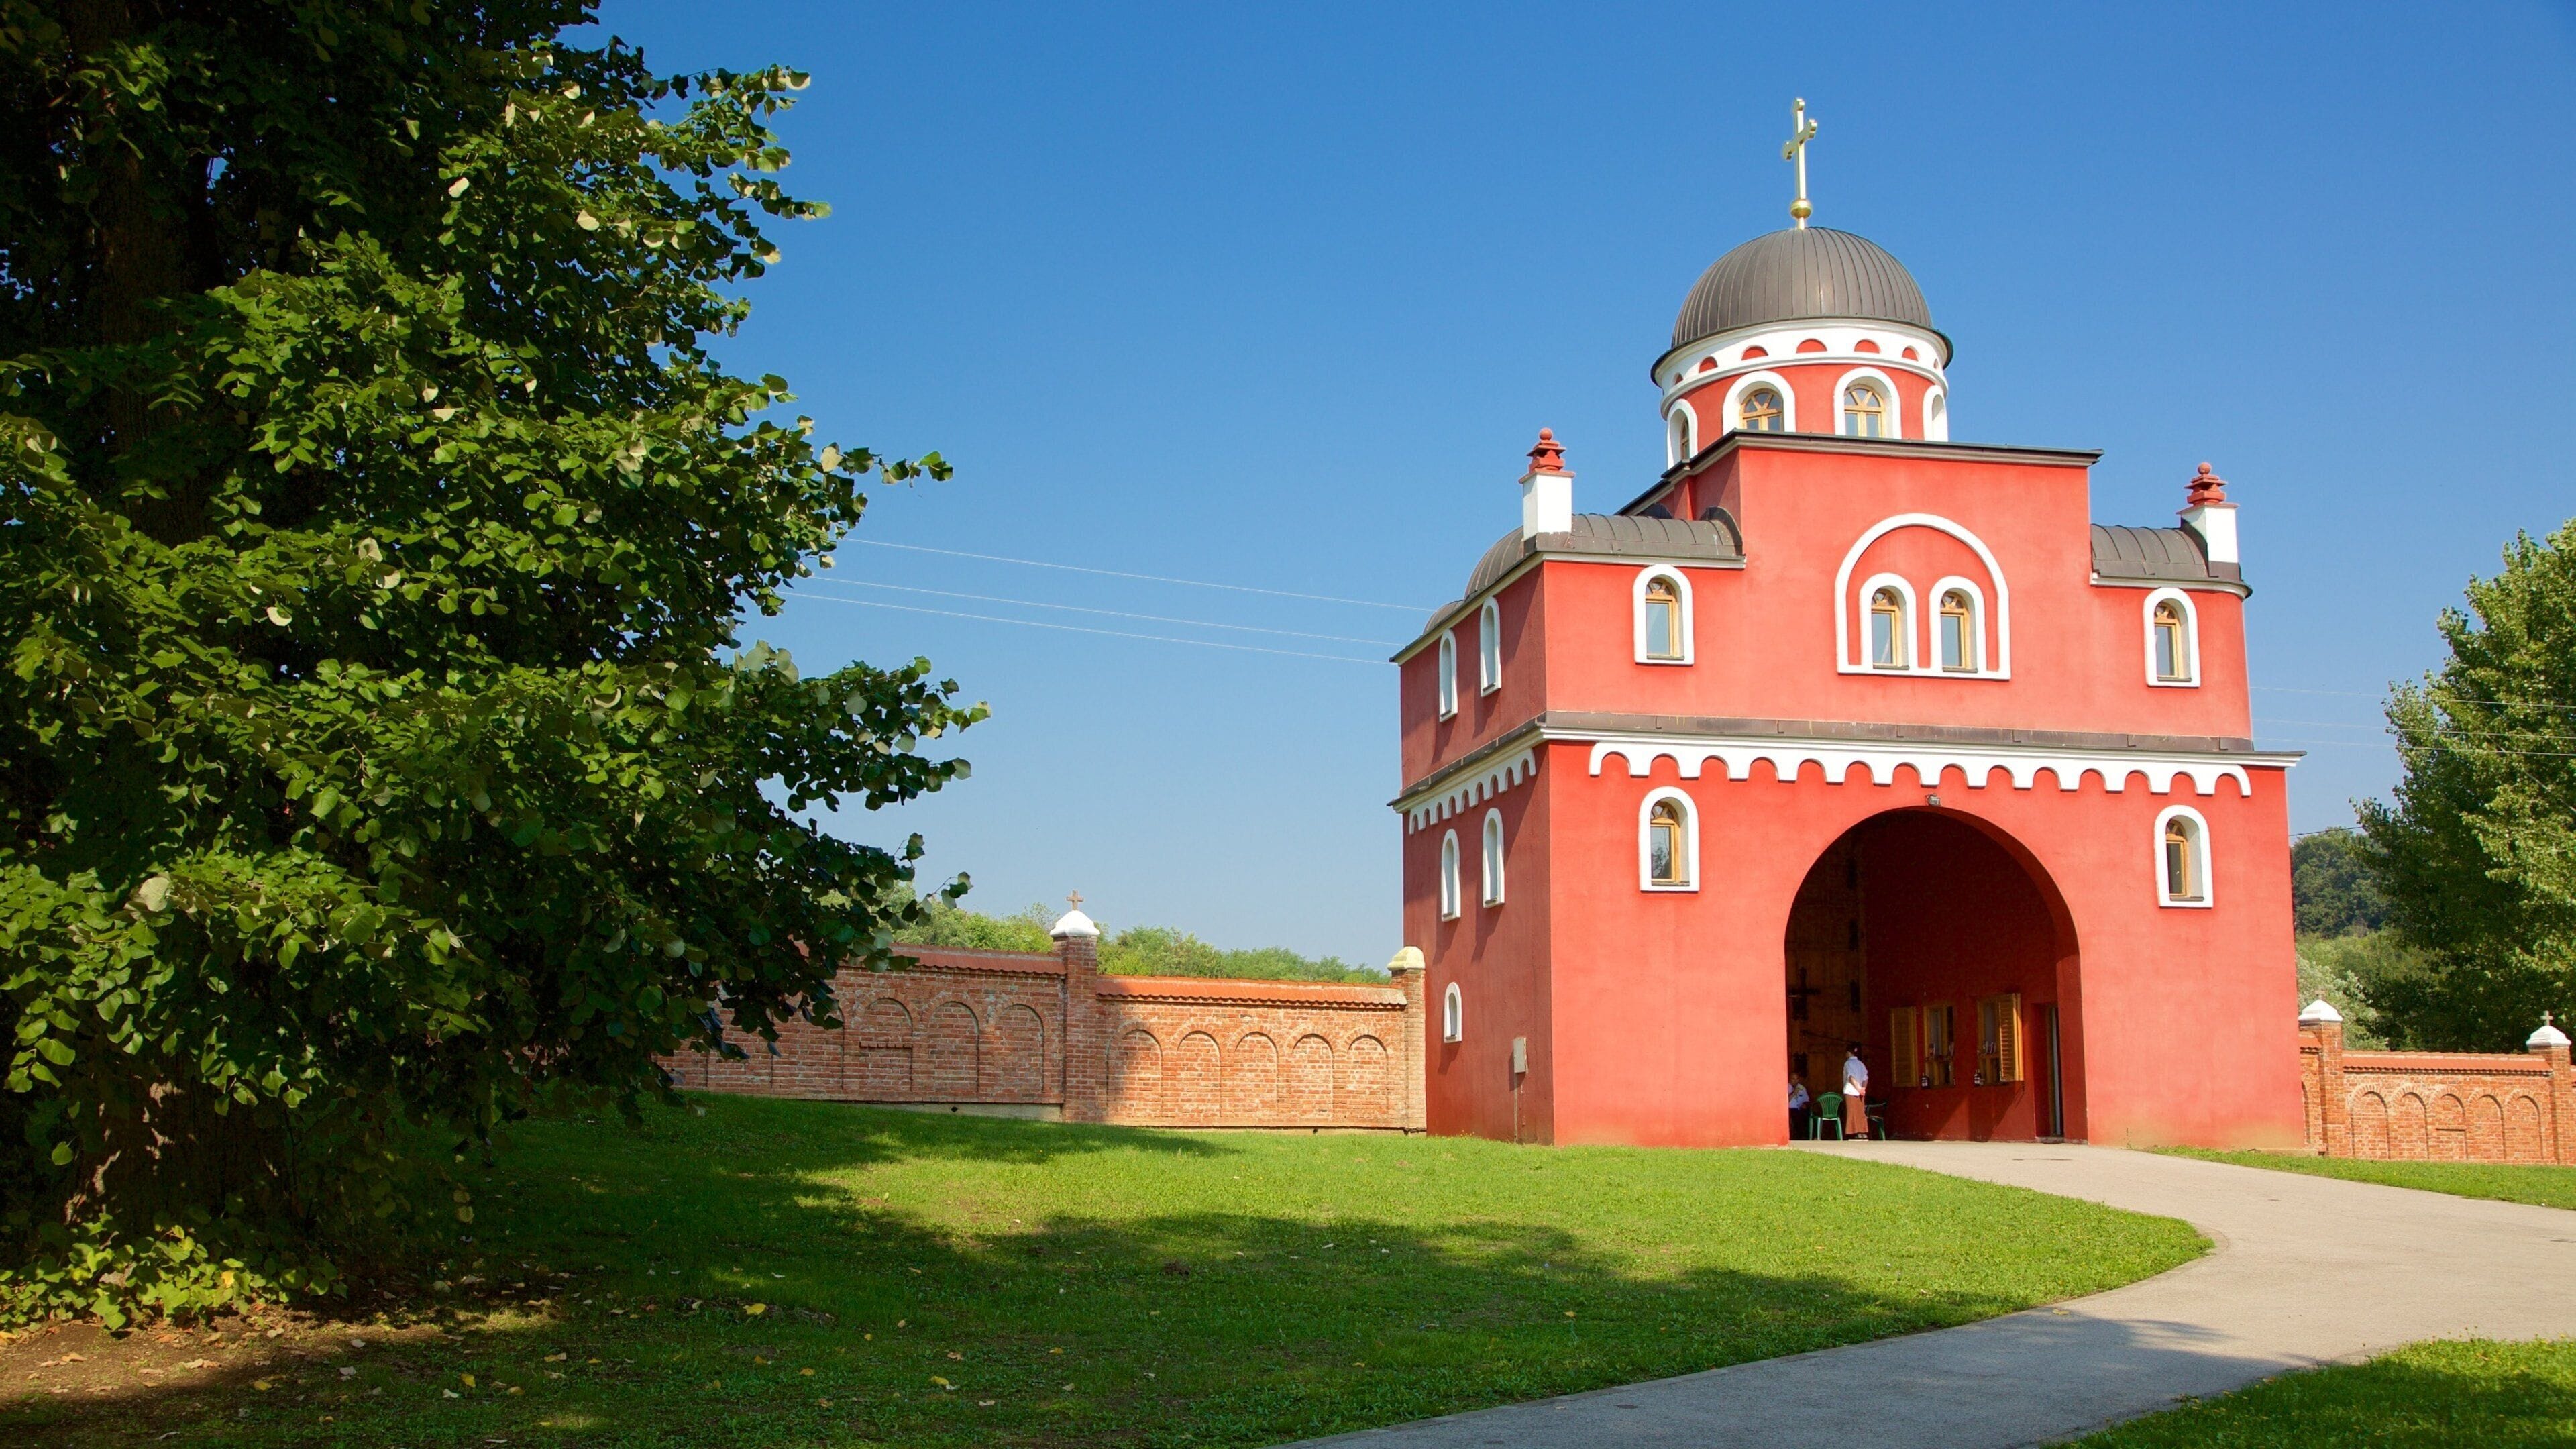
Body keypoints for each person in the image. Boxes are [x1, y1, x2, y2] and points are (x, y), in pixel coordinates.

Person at [1841, 1046, 1870, 1140]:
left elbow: (1851, 1077)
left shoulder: (1848, 1063)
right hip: (1861, 1092)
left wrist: (1857, 1088)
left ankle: (1854, 1133)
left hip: (1851, 1091)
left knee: (1852, 1112)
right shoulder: (1861, 1064)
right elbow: (1866, 1078)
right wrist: (1863, 1089)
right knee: (1861, 1112)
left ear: (1849, 1053)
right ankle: (1862, 1132)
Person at [1788, 1074, 1811, 1139]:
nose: (1795, 1081)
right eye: (1793, 1079)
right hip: (1790, 1109)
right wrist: (1794, 1093)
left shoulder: (1801, 1088)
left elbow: (1807, 1100)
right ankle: (1798, 1136)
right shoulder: (1786, 1087)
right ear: (1790, 1079)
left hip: (1800, 1108)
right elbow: (1785, 1101)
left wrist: (1805, 1104)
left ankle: (1807, 1136)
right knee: (1796, 1115)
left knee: (1808, 1114)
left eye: (1797, 1079)